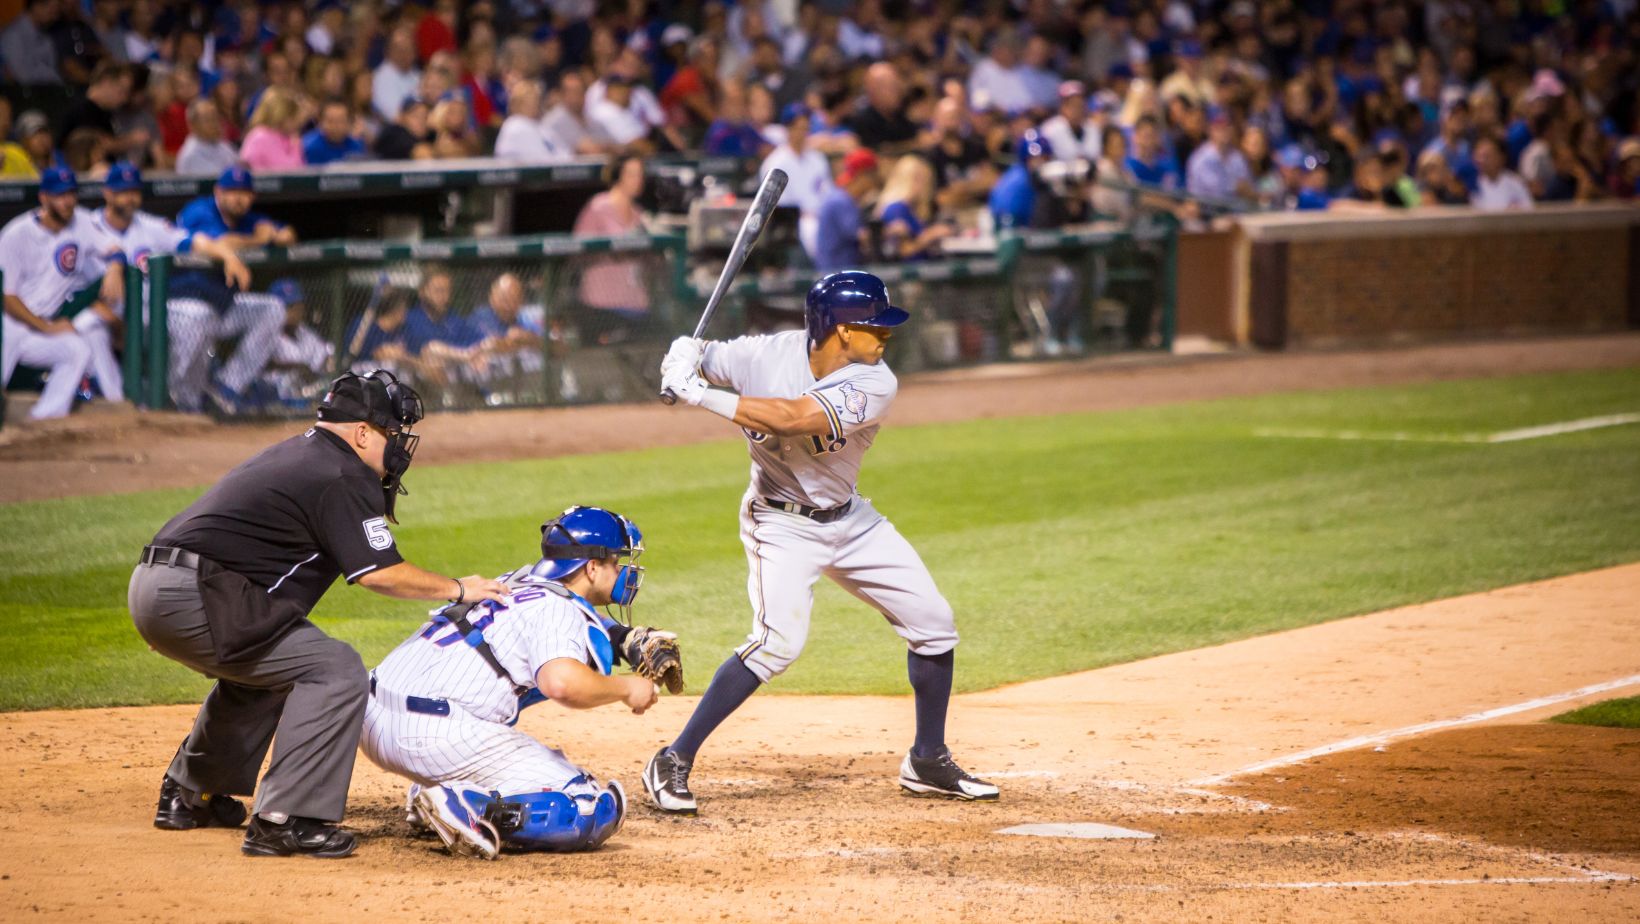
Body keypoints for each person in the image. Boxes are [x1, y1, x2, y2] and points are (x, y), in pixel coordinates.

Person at [646, 271, 999, 815]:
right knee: (776, 643)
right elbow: (705, 354)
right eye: (872, 326)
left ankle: (927, 759)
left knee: (933, 623)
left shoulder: (877, 382)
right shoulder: (763, 356)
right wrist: (683, 354)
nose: (885, 336)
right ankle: (673, 758)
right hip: (780, 523)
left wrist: (697, 394)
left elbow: (793, 419)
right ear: (837, 329)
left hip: (851, 520)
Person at [130, 370, 509, 858]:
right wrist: (460, 588)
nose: (398, 446)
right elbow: (380, 573)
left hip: (160, 587)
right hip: (197, 593)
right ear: (361, 432)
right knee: (334, 670)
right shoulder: (342, 473)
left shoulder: (303, 452)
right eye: (392, 433)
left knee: (274, 665)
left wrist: (165, 609)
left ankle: (190, 793)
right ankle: (285, 819)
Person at [361, 505, 682, 858]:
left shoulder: (518, 580)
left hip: (371, 716)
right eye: (616, 562)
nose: (622, 570)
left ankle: (436, 785)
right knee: (589, 805)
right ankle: (465, 803)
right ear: (592, 567)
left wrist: (624, 639)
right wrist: (628, 688)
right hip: (431, 737)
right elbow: (561, 683)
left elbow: (570, 619)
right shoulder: (557, 611)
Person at [82, 161, 250, 403]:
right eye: (122, 192)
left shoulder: (151, 226)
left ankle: (172, 394)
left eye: (134, 192)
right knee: (89, 327)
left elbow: (195, 241)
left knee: (198, 315)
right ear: (107, 193)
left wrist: (227, 255)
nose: (130, 198)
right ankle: (113, 399)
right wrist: (114, 320)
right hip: (103, 313)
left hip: (149, 314)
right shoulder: (87, 227)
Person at [170, 166, 297, 412]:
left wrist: (275, 234)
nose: (238, 198)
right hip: (181, 304)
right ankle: (174, 402)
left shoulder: (248, 220)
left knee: (272, 309)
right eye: (231, 191)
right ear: (218, 192)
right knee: (185, 380)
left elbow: (289, 234)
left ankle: (227, 388)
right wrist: (261, 239)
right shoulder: (199, 210)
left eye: (244, 192)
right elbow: (218, 243)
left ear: (252, 197)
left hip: (220, 305)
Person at [0, 167, 123, 420]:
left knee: (77, 350)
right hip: (8, 324)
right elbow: (8, 298)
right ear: (44, 198)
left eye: (71, 194)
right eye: (59, 195)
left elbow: (115, 248)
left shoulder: (81, 223)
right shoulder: (16, 234)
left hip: (40, 324)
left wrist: (115, 268)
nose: (67, 201)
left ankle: (43, 421)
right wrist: (46, 327)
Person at [572, 153, 651, 344]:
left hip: (636, 304)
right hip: (601, 305)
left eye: (640, 175)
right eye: (631, 174)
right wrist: (613, 251)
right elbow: (576, 252)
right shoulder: (598, 207)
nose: (637, 180)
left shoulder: (640, 215)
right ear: (618, 176)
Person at [758, 104, 833, 261]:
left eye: (805, 128)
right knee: (809, 228)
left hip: (821, 216)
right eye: (798, 128)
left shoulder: (817, 159)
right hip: (795, 222)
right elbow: (779, 207)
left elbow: (827, 193)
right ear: (788, 129)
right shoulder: (775, 163)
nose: (802, 133)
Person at [813, 148, 880, 272]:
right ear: (863, 175)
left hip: (839, 270)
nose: (874, 181)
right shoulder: (840, 200)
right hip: (836, 274)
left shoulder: (842, 196)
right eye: (872, 175)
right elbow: (861, 236)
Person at [874, 155, 949, 261]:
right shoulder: (896, 208)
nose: (926, 186)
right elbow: (903, 251)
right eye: (920, 179)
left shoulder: (911, 208)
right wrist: (931, 235)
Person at [1185, 108, 1253, 202]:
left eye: (1227, 127)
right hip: (1210, 213)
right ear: (1210, 129)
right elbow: (1194, 197)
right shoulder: (1199, 159)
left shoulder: (1238, 158)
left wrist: (1245, 191)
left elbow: (1249, 192)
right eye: (1219, 127)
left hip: (1237, 211)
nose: (1223, 131)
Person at [494, 79, 565, 162]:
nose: (533, 105)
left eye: (535, 100)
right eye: (527, 101)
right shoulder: (514, 125)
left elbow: (563, 152)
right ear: (516, 104)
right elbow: (539, 160)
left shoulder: (541, 126)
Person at [240, 87, 308, 171]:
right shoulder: (258, 138)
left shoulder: (293, 139)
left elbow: (299, 170)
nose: (298, 123)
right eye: (293, 118)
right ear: (282, 116)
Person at [175, 99, 240, 176]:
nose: (215, 124)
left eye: (216, 118)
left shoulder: (221, 144)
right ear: (193, 125)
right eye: (208, 120)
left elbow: (239, 167)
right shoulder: (191, 155)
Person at [1469, 135, 1533, 210]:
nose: (1482, 161)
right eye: (1479, 156)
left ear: (1501, 157)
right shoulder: (1472, 184)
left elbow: (1529, 210)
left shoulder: (1515, 183)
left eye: (1487, 156)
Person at [301, 98, 367, 166]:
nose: (335, 126)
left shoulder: (357, 146)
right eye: (330, 121)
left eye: (340, 120)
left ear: (350, 122)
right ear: (320, 122)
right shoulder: (308, 146)